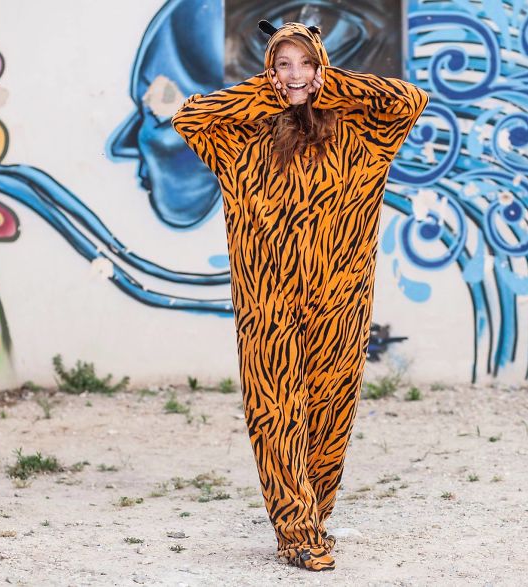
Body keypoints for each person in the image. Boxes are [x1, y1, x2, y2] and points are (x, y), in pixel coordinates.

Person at [172, 20, 428, 571]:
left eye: (305, 64)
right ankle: (295, 529)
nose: (295, 75)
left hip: (342, 297)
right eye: (283, 64)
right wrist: (269, 93)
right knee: (276, 410)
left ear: (321, 66)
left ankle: (315, 513)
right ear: (269, 69)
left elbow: (411, 99)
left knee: (330, 412)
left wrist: (328, 88)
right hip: (268, 301)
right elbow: (188, 115)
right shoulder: (241, 139)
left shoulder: (364, 136)